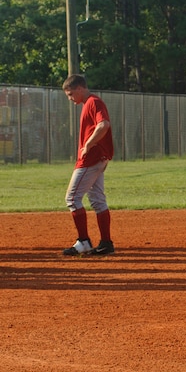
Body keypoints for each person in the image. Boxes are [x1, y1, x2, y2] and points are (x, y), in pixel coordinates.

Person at [62, 74, 115, 256]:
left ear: (80, 88)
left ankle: (83, 242)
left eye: (70, 94)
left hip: (90, 159)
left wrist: (88, 144)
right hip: (97, 158)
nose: (70, 98)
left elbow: (104, 125)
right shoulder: (89, 104)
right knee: (98, 200)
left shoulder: (93, 102)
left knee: (72, 198)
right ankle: (106, 243)